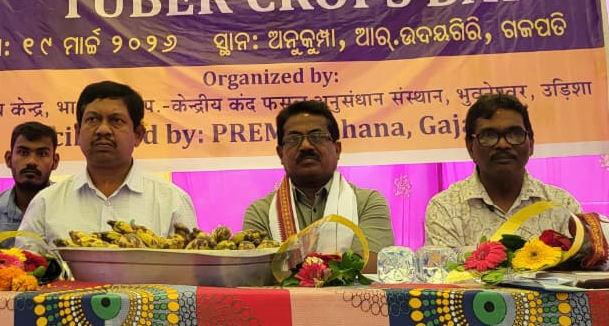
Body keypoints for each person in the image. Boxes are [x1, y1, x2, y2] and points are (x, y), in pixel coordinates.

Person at [21, 81, 196, 242]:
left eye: (116, 121)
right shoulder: (46, 202)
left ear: (138, 134)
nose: (103, 130)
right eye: (92, 119)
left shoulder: (173, 201)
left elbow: (190, 272)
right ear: (77, 132)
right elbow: (26, 269)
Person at [242, 100, 393, 269]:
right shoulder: (260, 213)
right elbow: (258, 276)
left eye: (317, 137)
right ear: (280, 154)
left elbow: (369, 267)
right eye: (293, 139)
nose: (306, 146)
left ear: (337, 149)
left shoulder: (368, 203)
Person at [423, 93, 580, 252]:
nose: (503, 144)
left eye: (514, 134)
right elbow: (444, 274)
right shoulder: (445, 208)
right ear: (471, 147)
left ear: (531, 143)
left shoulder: (563, 205)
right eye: (489, 136)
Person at [0, 122, 60, 252]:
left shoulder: (69, 207)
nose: (31, 161)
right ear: (9, 159)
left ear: (55, 161)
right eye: (23, 152)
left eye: (42, 154)